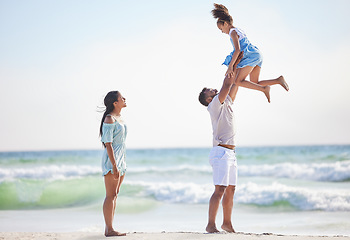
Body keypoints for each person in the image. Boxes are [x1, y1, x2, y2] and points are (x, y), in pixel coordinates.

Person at [198, 52, 243, 233]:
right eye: (209, 90)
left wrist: (238, 63)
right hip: (221, 152)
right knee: (220, 189)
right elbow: (226, 84)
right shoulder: (214, 105)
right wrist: (231, 64)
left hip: (231, 153)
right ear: (209, 99)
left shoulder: (226, 103)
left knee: (231, 190)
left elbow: (234, 84)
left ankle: (227, 223)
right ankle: (210, 225)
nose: (213, 89)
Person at [212, 3, 289, 103]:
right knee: (254, 82)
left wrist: (231, 66)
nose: (222, 32)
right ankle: (278, 80)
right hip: (256, 54)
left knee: (238, 81)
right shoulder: (238, 30)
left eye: (221, 29)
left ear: (225, 24)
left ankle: (264, 89)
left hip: (251, 56)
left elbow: (237, 50)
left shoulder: (232, 32)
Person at [99, 91, 127, 237]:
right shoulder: (109, 119)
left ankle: (109, 228)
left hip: (120, 159)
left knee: (115, 194)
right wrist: (114, 165)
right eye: (121, 97)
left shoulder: (119, 118)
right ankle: (109, 229)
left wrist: (121, 163)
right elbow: (108, 144)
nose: (124, 99)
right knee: (110, 195)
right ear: (115, 103)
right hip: (112, 160)